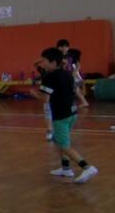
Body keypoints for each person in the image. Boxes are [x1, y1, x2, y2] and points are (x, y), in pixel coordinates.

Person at [31, 48, 98, 184]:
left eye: (44, 61)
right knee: (60, 140)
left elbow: (45, 99)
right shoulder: (67, 73)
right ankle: (66, 168)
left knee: (63, 144)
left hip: (61, 116)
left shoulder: (49, 77)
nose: (42, 64)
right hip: (72, 113)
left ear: (53, 62)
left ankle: (87, 167)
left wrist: (34, 94)